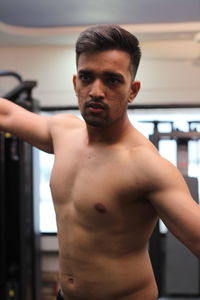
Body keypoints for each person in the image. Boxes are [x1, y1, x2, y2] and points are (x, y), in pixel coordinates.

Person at [0, 24, 200, 300]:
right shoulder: (63, 133)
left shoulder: (145, 166)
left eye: (112, 80)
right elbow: (6, 114)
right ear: (75, 83)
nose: (96, 91)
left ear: (133, 90)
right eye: (86, 77)